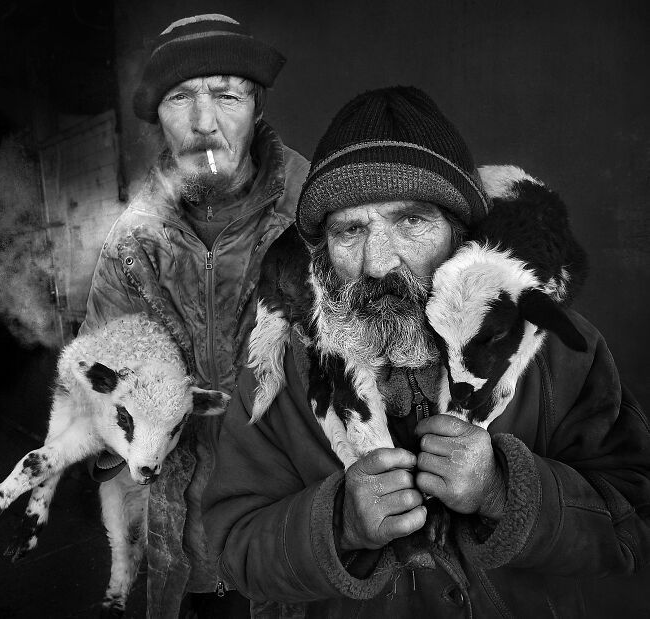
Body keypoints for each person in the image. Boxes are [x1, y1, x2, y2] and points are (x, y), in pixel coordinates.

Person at [202, 86, 650, 618]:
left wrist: (504, 490)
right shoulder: (276, 368)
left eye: (410, 221)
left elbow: (634, 520)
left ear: (459, 235)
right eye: (349, 230)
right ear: (321, 253)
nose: (377, 263)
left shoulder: (553, 349)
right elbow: (233, 547)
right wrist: (338, 522)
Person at [79, 13, 309, 619]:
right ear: (159, 116)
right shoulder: (133, 236)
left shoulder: (315, 208)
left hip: (294, 528)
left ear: (255, 107)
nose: (204, 124)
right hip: (185, 538)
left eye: (226, 95)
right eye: (181, 98)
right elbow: (95, 376)